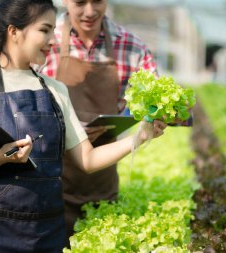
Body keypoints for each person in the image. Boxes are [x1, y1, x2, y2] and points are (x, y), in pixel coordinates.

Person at [0, 0, 166, 252]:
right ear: (13, 31)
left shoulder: (56, 90)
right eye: (44, 30)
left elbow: (88, 159)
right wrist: (1, 156)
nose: (52, 39)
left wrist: (140, 137)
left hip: (46, 231)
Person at [38, 0, 158, 243]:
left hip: (102, 184)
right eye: (80, 2)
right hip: (49, 189)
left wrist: (163, 114)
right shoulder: (43, 41)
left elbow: (160, 100)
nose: (90, 11)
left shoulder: (132, 47)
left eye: (98, 1)